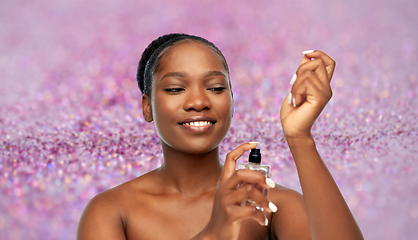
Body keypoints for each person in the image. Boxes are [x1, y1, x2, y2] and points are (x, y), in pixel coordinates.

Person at [77, 33, 364, 240]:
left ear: (232, 101)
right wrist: (214, 233)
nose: (199, 101)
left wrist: (300, 137)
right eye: (176, 89)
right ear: (147, 106)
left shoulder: (269, 205)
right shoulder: (111, 211)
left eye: (215, 87)